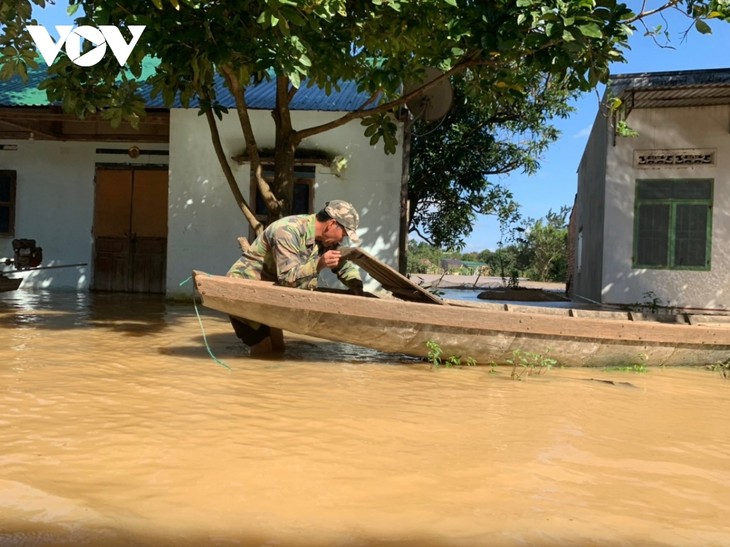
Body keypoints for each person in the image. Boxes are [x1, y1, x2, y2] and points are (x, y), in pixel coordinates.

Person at [227, 200, 364, 354]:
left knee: (279, 348)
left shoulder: (325, 240)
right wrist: (319, 264)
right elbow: (287, 279)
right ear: (332, 224)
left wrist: (356, 285)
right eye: (344, 234)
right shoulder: (287, 230)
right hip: (245, 290)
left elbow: (344, 265)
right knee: (263, 349)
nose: (342, 240)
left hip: (271, 295)